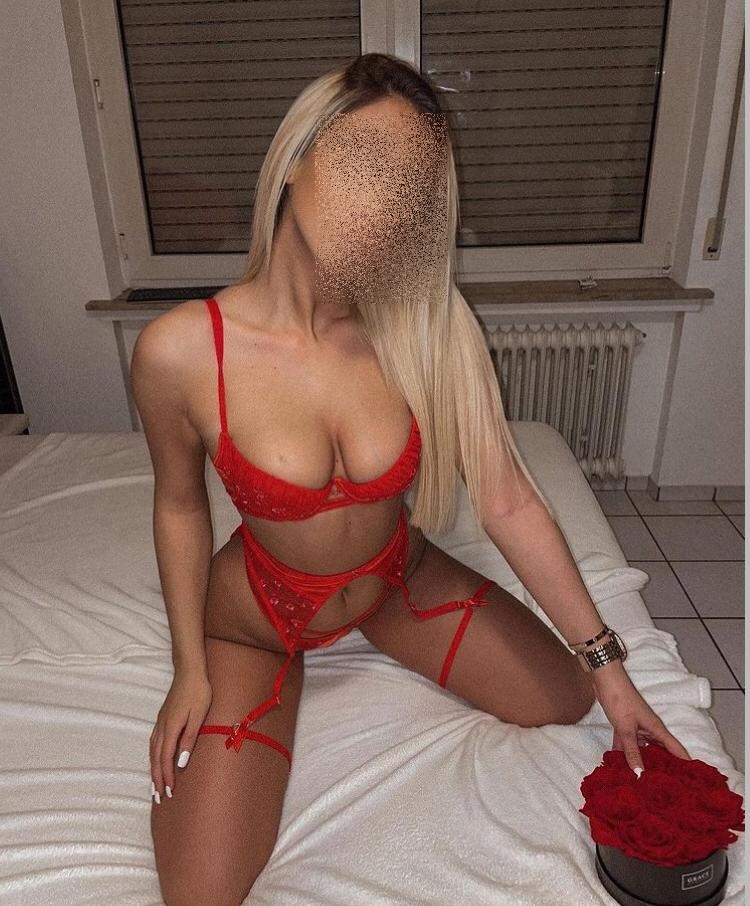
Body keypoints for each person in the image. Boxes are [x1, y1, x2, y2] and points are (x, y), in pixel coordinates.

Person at [130, 52, 691, 906]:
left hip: (395, 580)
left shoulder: (429, 324)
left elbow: (508, 500)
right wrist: (189, 668)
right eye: (366, 164)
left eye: (411, 189)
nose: (383, 204)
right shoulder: (179, 350)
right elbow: (178, 507)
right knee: (201, 893)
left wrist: (614, 674)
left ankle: (403, 629)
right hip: (257, 618)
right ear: (296, 158)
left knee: (564, 698)